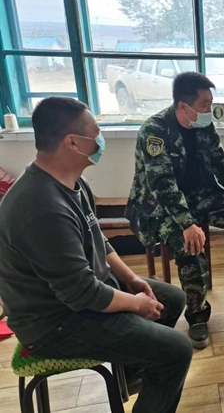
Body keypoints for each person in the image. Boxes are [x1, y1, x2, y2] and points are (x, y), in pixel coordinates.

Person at [0, 97, 192, 413]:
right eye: (96, 133)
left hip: (80, 296)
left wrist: (130, 279)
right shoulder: (41, 207)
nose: (100, 140)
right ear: (72, 143)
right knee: (177, 351)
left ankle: (131, 374)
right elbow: (83, 294)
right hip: (54, 323)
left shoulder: (73, 182)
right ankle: (147, 373)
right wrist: (136, 304)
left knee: (171, 299)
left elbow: (97, 238)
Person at [127, 72, 224, 349]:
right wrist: (187, 223)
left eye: (211, 102)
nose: (210, 109)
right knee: (191, 245)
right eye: (205, 104)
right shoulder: (155, 130)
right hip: (160, 206)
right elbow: (162, 183)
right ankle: (197, 314)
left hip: (201, 195)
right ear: (183, 106)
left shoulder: (203, 125)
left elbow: (221, 163)